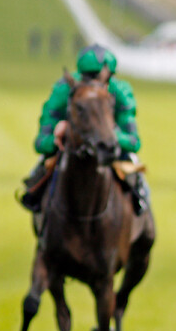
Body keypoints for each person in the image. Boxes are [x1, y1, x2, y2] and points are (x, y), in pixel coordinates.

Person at [20, 44, 150, 215]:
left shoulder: (120, 92)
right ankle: (35, 200)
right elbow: (40, 143)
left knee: (135, 169)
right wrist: (63, 134)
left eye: (99, 78)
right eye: (88, 78)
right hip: (71, 150)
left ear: (108, 77)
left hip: (110, 150)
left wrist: (105, 134)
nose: (93, 86)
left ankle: (141, 209)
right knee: (42, 166)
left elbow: (133, 142)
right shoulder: (63, 89)